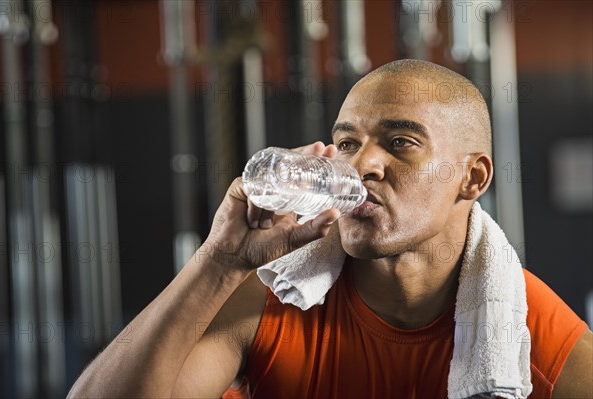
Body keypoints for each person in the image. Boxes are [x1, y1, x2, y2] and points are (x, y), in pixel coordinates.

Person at [68, 60, 592, 398]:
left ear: (472, 178)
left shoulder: (535, 337)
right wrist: (219, 261)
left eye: (400, 142)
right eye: (346, 144)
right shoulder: (273, 298)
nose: (362, 165)